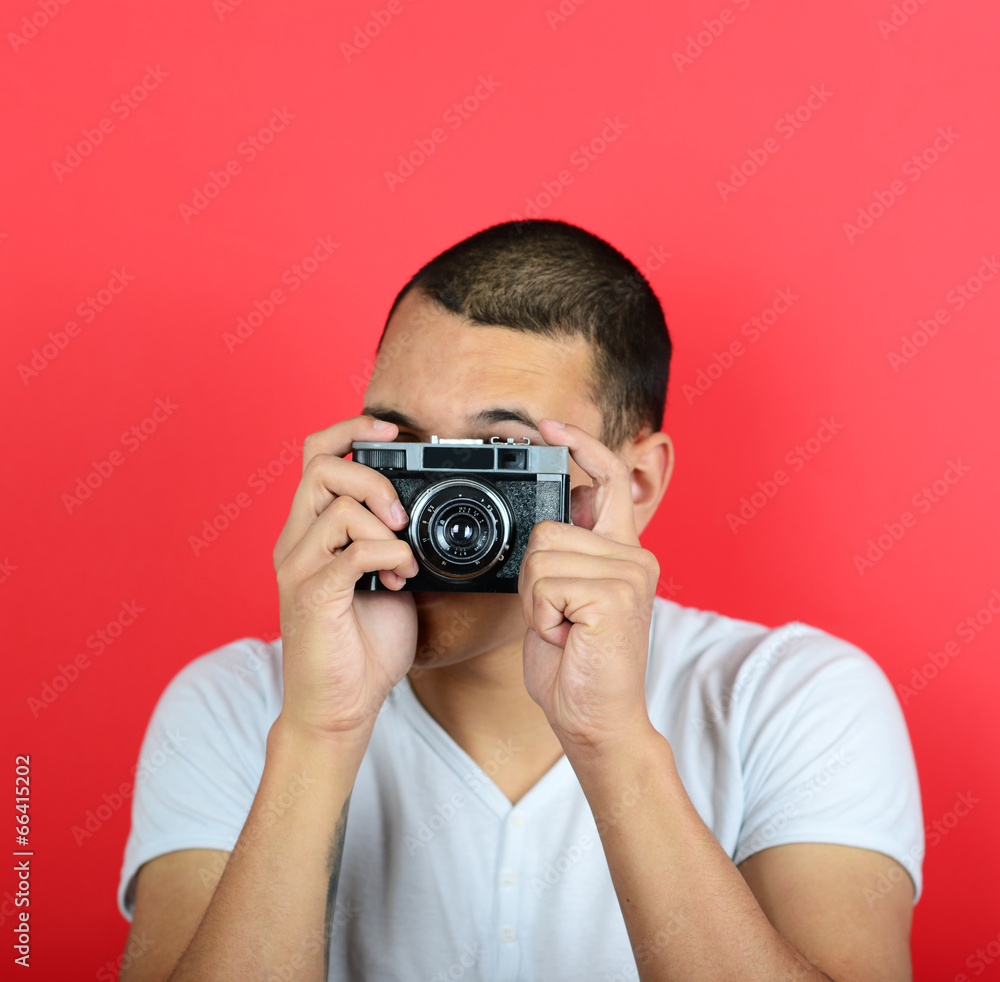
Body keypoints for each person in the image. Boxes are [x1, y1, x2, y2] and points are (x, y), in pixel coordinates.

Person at [116, 218, 923, 981]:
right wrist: (320, 732)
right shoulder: (234, 706)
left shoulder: (793, 697)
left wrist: (610, 740)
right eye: (402, 444)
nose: (440, 507)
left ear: (635, 484)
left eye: (501, 452)